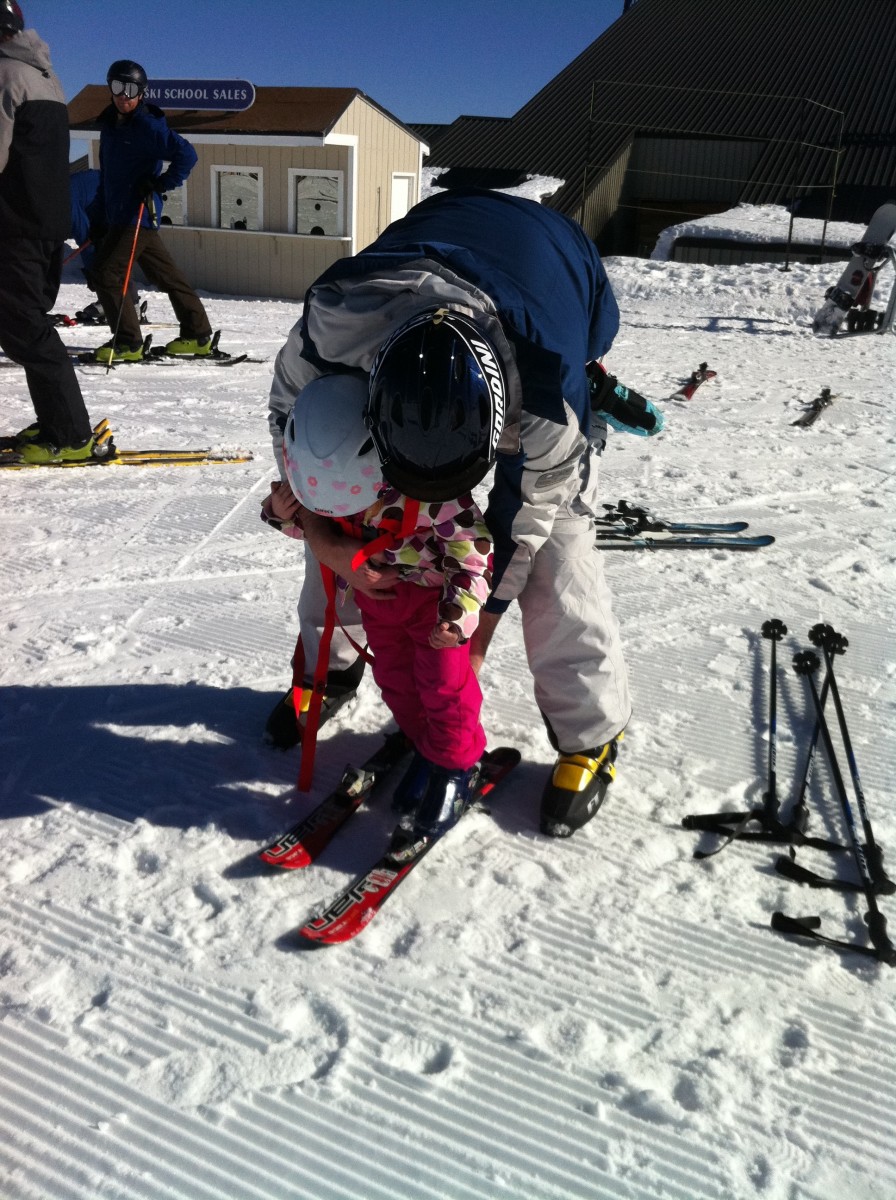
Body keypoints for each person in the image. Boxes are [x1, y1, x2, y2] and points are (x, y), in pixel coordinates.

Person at [267, 187, 664, 839]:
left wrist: (475, 628)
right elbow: (298, 447)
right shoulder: (330, 331)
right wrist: (328, 539)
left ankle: (591, 733)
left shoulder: (546, 396)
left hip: (552, 270)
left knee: (559, 551)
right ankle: (327, 672)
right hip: (431, 249)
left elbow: (522, 525)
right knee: (342, 502)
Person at [275, 371, 493, 839]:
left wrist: (457, 615)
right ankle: (424, 746)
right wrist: (281, 510)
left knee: (444, 689)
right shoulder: (321, 483)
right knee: (395, 682)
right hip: (382, 607)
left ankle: (456, 765)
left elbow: (473, 557)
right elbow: (302, 525)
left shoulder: (431, 493)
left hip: (435, 608)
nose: (333, 507)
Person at [0, 1, 105, 465]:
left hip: (16, 224)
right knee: (28, 325)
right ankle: (57, 420)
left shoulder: (5, 75)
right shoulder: (45, 76)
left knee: (24, 329)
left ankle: (70, 434)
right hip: (43, 224)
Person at [88, 59, 212, 364]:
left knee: (106, 274)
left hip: (136, 215)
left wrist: (160, 183)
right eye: (118, 87)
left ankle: (128, 342)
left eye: (131, 90)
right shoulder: (110, 127)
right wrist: (99, 217)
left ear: (141, 93)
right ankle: (197, 335)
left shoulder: (146, 125)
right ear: (110, 88)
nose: (124, 95)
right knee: (165, 275)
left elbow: (187, 155)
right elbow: (107, 177)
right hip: (119, 216)